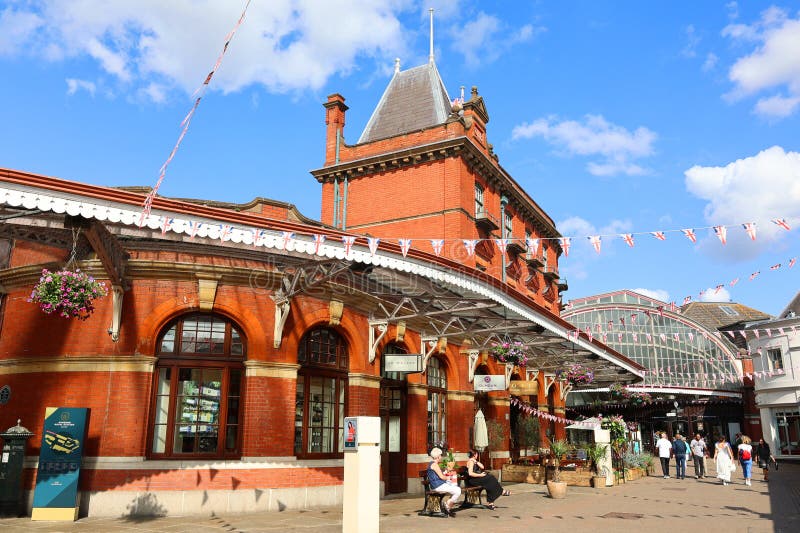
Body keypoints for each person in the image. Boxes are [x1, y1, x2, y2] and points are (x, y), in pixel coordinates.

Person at [427, 447, 460, 516]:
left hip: (438, 484)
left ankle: (447, 506)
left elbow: (440, 475)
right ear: (438, 456)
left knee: (454, 487)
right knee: (458, 490)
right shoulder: (435, 465)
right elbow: (442, 477)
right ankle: (447, 505)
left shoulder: (432, 463)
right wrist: (449, 477)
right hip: (438, 486)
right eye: (441, 455)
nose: (441, 457)